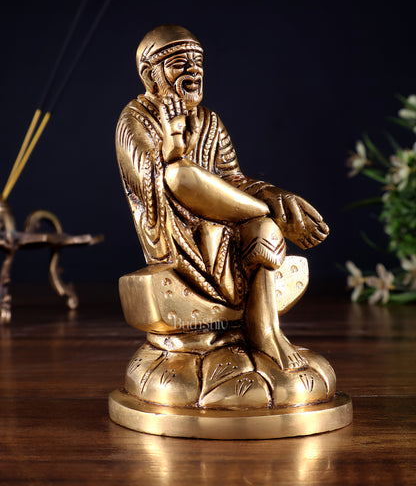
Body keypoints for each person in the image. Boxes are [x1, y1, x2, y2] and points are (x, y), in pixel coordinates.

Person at [115, 25, 334, 408]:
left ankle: (264, 331)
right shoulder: (134, 120)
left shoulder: (210, 121)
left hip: (224, 228)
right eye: (179, 64)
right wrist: (172, 142)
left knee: (264, 227)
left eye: (198, 63)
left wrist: (273, 196)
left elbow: (234, 180)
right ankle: (266, 215)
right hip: (177, 239)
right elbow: (151, 185)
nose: (194, 71)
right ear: (150, 75)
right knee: (178, 175)